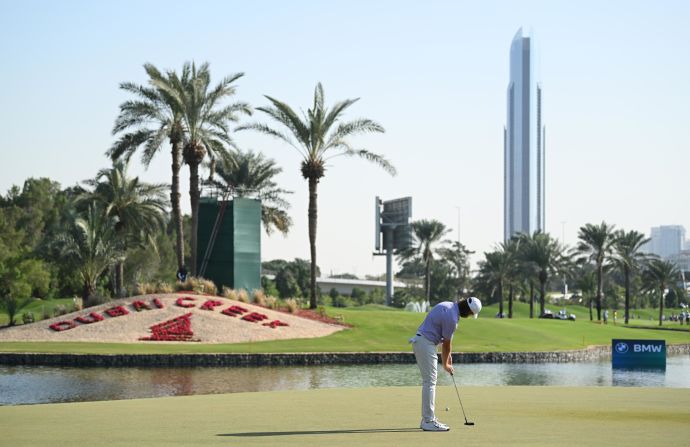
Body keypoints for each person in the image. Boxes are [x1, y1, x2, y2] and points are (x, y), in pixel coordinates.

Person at [409, 297, 482, 431]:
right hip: (426, 343)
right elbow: (446, 345)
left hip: (423, 342)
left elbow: (445, 342)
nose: (470, 316)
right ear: (468, 311)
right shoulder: (452, 319)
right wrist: (446, 365)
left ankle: (428, 418)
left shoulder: (448, 305)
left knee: (429, 381)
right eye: (471, 314)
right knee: (430, 382)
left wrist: (448, 358)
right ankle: (428, 421)